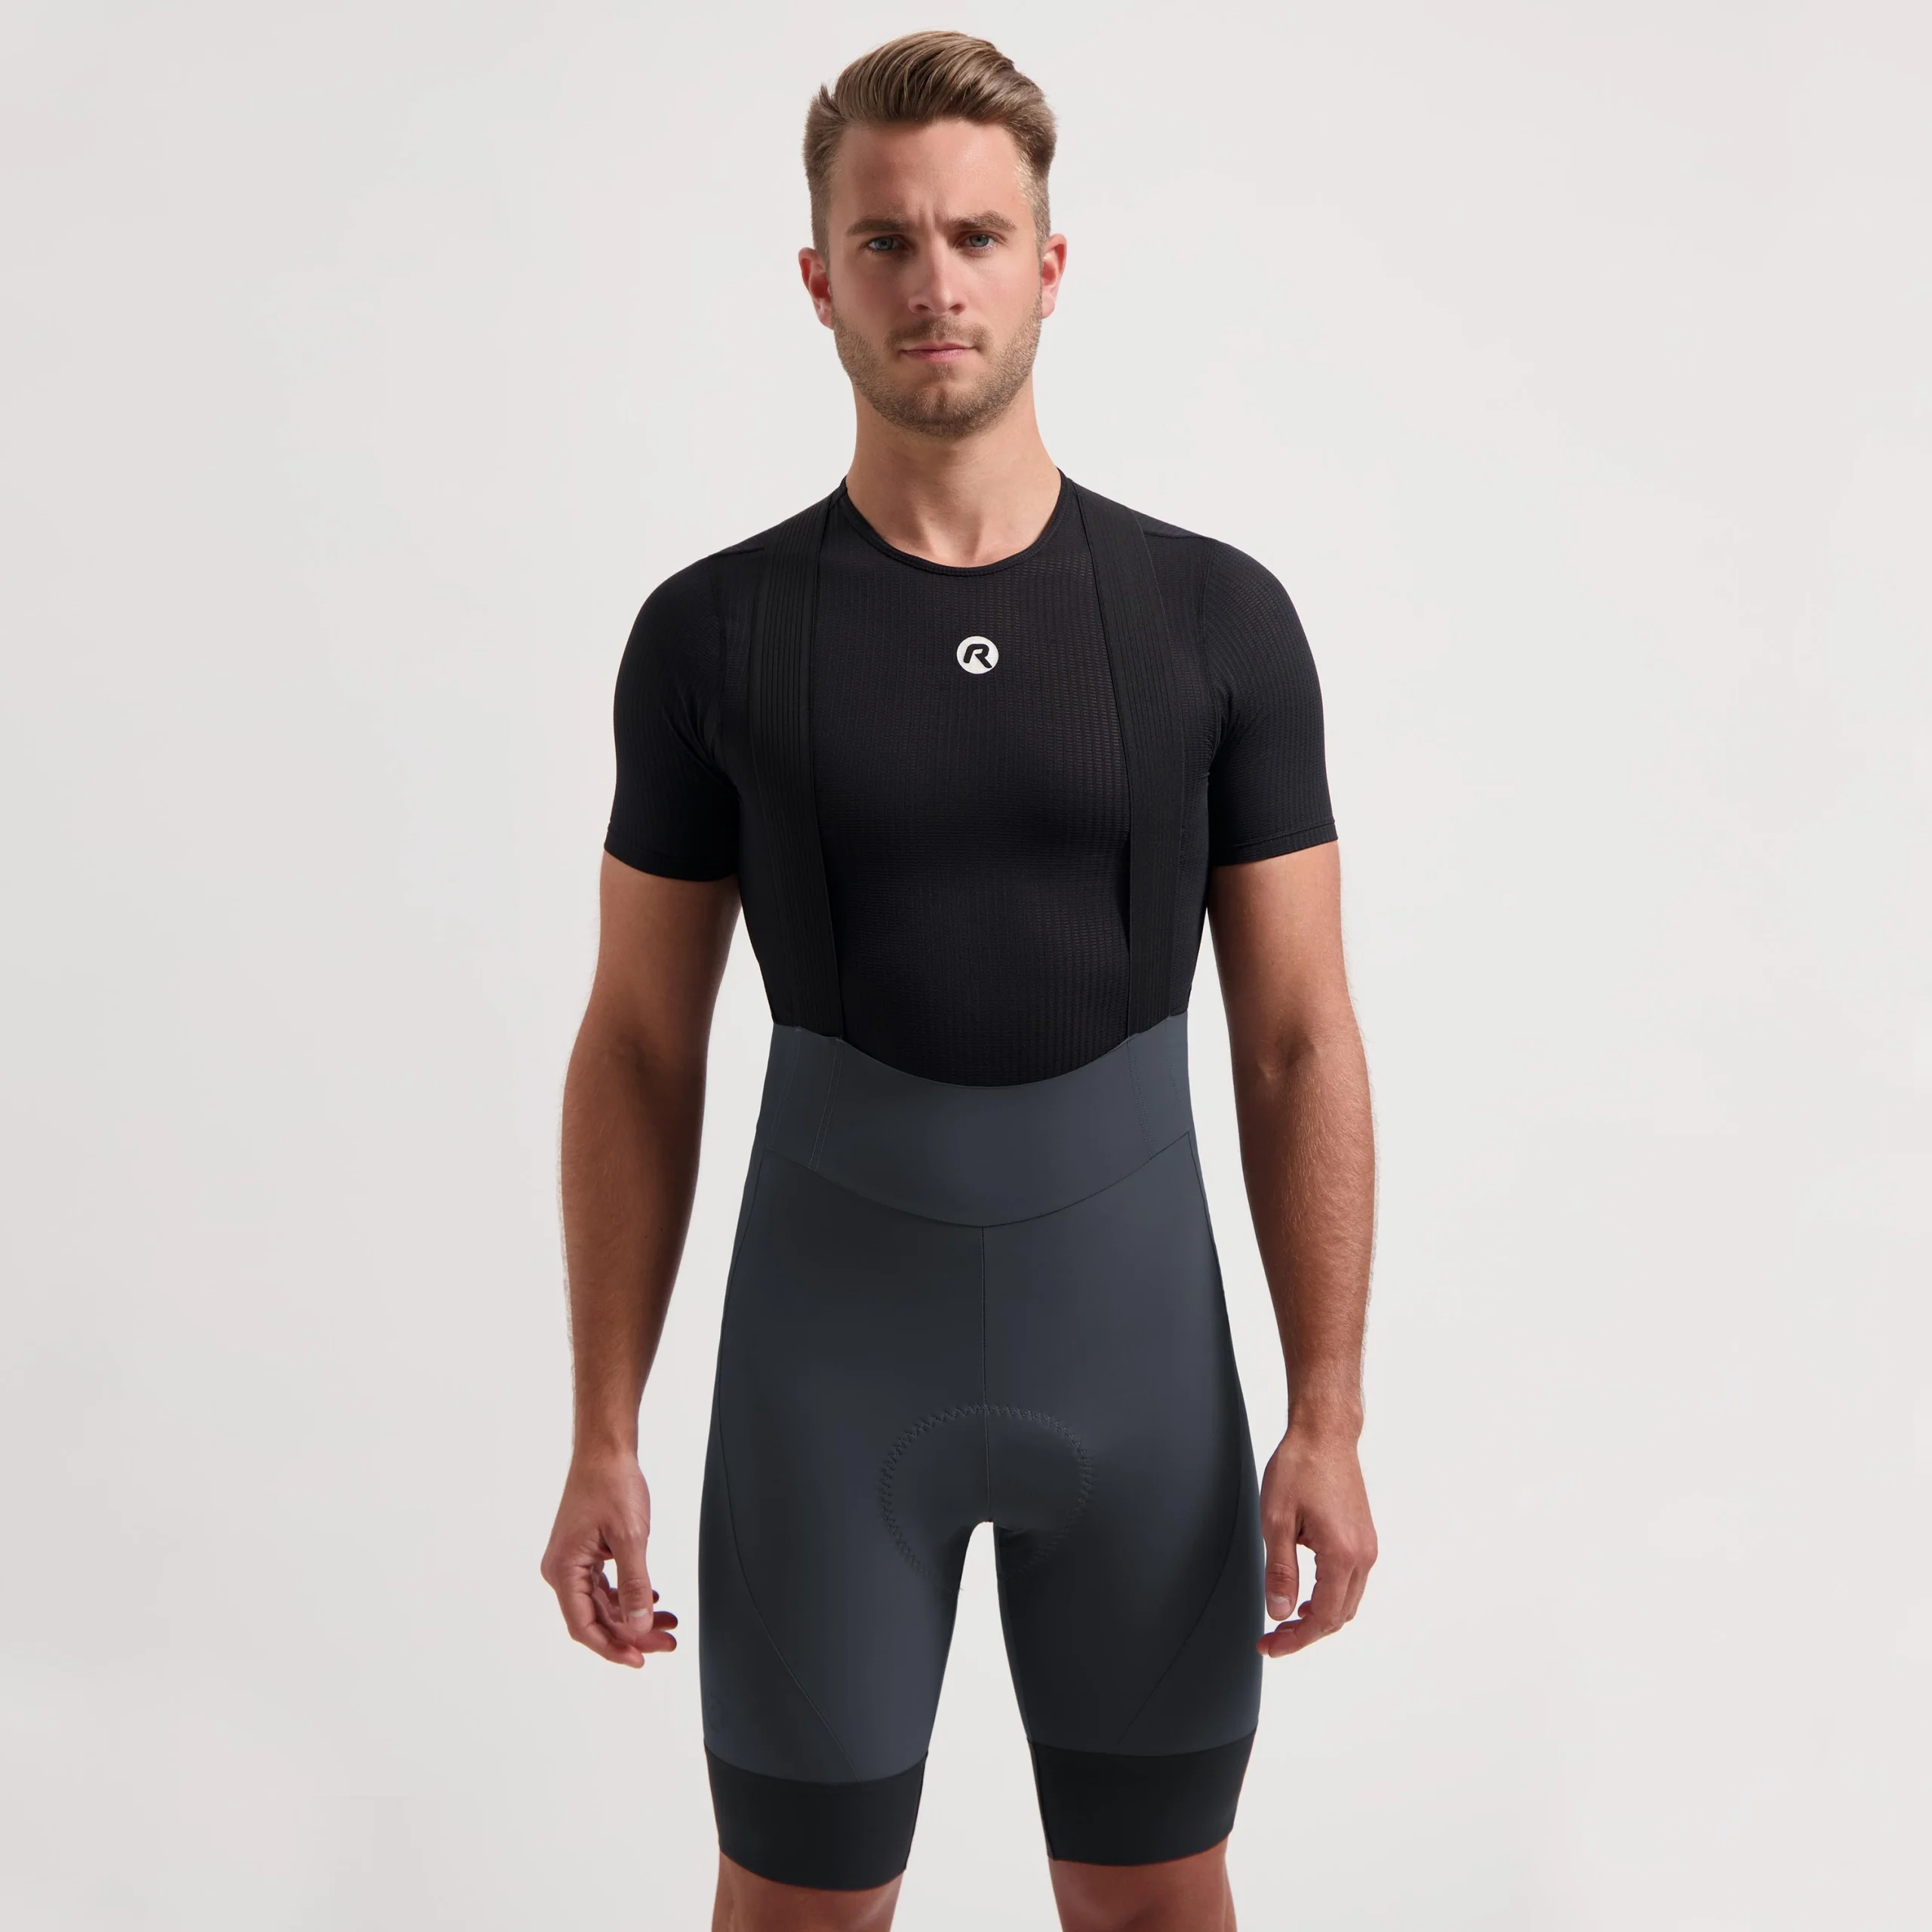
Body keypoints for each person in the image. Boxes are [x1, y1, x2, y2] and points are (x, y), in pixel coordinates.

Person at [540, 30, 1378, 1932]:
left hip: (1138, 1372)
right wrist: (602, 1427)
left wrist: (1325, 1411)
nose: (935, 281)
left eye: (977, 237)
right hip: (825, 1379)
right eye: (888, 240)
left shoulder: (1210, 620)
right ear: (819, 276)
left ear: (1048, 265)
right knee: (797, 1907)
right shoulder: (712, 635)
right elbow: (640, 1040)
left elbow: (1297, 1036)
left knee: (1157, 1897)